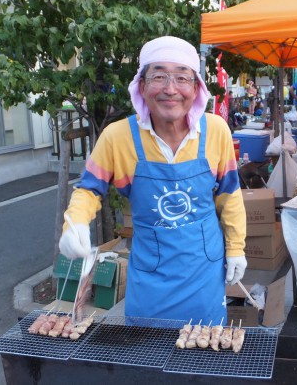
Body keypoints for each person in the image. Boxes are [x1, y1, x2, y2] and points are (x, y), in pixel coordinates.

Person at [59, 36, 247, 323]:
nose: (170, 89)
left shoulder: (216, 131)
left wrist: (236, 248)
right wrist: (74, 224)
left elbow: (230, 194)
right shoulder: (117, 138)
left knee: (205, 352)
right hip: (150, 280)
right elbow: (88, 189)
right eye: (159, 76)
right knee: (146, 358)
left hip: (204, 275)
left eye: (182, 78)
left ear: (196, 88)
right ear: (142, 86)